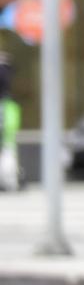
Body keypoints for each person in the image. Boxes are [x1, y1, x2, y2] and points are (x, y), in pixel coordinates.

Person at [0, 52, 21, 192]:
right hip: (7, 110)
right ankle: (9, 181)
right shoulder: (6, 69)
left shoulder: (4, 70)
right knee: (7, 148)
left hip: (5, 111)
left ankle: (8, 180)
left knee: (7, 148)